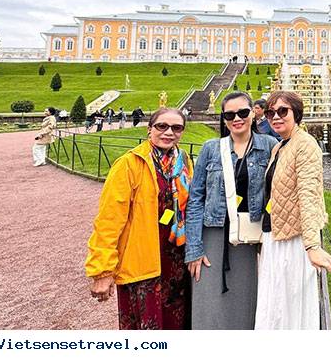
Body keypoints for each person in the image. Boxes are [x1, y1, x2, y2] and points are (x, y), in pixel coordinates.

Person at [85, 108, 193, 329]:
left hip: (176, 260)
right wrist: (102, 270)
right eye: (161, 126)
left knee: (177, 325)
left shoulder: (183, 161)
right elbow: (109, 220)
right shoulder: (129, 164)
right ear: (149, 129)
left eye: (176, 127)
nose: (169, 132)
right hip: (142, 262)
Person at [185, 92, 278, 329]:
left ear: (253, 114)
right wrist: (194, 248)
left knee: (245, 300)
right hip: (213, 233)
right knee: (208, 300)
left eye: (243, 112)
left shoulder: (269, 146)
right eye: (229, 115)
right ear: (224, 119)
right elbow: (195, 198)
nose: (237, 118)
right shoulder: (211, 148)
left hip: (249, 236)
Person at [255, 91, 331, 330]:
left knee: (288, 307)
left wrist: (312, 246)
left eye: (283, 111)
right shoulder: (279, 147)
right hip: (276, 234)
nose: (276, 117)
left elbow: (308, 194)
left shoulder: (305, 145)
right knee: (275, 304)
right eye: (270, 112)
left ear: (297, 114)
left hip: (295, 240)